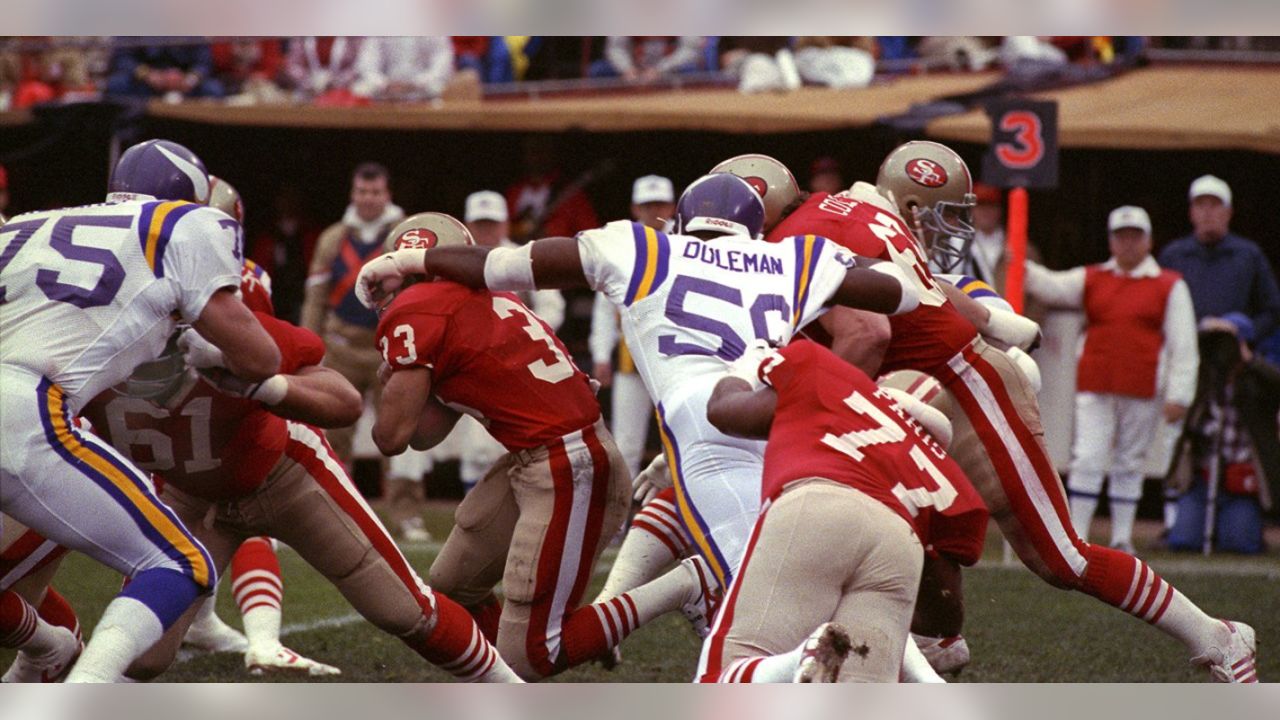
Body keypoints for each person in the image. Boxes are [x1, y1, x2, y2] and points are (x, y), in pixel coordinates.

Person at [748, 141, 1257, 683]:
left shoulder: (799, 234)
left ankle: (1219, 637)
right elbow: (922, 295)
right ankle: (935, 643)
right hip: (943, 381)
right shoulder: (853, 211)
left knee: (1063, 558)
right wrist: (996, 323)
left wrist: (819, 410)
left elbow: (867, 332)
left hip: (968, 386)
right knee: (883, 517)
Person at [356, 173, 920, 599]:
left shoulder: (644, 245)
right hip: (772, 417)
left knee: (763, 594)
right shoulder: (792, 256)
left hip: (703, 428)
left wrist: (415, 259)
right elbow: (905, 295)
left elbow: (507, 265)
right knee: (794, 573)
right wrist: (864, 233)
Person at [369, 213, 717, 680]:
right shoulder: (481, 300)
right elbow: (425, 431)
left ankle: (684, 585)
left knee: (532, 656)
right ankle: (569, 636)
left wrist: (386, 377)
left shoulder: (419, 310)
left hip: (569, 465)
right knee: (454, 584)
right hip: (544, 457)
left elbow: (390, 438)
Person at [0, 139, 282, 682]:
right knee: (182, 564)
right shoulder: (184, 225)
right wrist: (210, 346)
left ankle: (45, 655)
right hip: (24, 408)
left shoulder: (31, 223)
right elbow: (262, 357)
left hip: (23, 397)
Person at [699, 340, 988, 682]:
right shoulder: (940, 470)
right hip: (899, 541)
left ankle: (798, 660)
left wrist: (745, 369)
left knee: (721, 680)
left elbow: (723, 411)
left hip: (819, 502)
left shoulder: (819, 368)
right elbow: (944, 615)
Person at [1025, 206, 1199, 552]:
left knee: (1130, 462)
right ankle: (1077, 535)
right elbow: (1048, 285)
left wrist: (1180, 393)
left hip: (1143, 384)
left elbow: (1184, 343)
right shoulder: (1092, 277)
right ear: (1111, 241)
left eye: (1135, 236)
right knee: (1088, 457)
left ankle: (1122, 537)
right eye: (1121, 237)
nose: (1128, 244)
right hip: (1096, 381)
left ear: (1148, 241)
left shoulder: (1170, 285)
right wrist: (1017, 257)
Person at [301, 162, 405, 470]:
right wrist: (308, 348)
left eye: (375, 192)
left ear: (387, 194)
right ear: (352, 193)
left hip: (389, 349)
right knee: (334, 433)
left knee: (398, 432)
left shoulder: (405, 235)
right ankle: (339, 502)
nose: (368, 198)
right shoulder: (332, 238)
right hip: (341, 348)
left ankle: (405, 514)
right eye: (362, 191)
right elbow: (315, 300)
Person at [589, 175, 675, 477]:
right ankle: (617, 522)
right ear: (635, 207)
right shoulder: (622, 242)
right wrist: (601, 354)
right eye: (648, 205)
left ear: (672, 206)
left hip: (675, 355)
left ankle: (675, 518)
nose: (654, 211)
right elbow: (604, 305)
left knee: (678, 441)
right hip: (631, 356)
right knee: (626, 443)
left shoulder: (687, 239)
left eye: (660, 204)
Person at [1158, 174, 1280, 345]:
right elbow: (1156, 309)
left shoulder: (1249, 255)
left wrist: (1245, 331)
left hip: (1235, 354)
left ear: (1228, 212)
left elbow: (1273, 310)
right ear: (1191, 213)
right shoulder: (1173, 256)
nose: (1207, 212)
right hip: (1184, 350)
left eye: (1215, 205)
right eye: (1200, 205)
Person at [352, 36, 454, 101]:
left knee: (444, 88)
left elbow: (442, 66)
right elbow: (366, 66)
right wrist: (384, 83)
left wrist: (415, 84)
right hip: (386, 90)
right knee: (359, 89)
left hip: (423, 90)